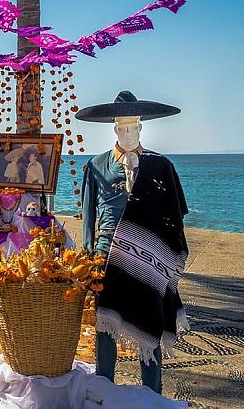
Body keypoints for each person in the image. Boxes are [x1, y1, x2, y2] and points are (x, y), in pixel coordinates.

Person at [77, 90, 188, 394]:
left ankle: (152, 396)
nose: (127, 132)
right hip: (107, 258)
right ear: (114, 128)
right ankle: (104, 389)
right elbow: (88, 217)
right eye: (122, 127)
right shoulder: (96, 165)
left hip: (149, 259)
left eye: (133, 126)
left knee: (148, 326)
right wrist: (87, 258)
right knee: (106, 327)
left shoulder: (161, 166)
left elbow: (174, 215)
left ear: (141, 128)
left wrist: (171, 256)